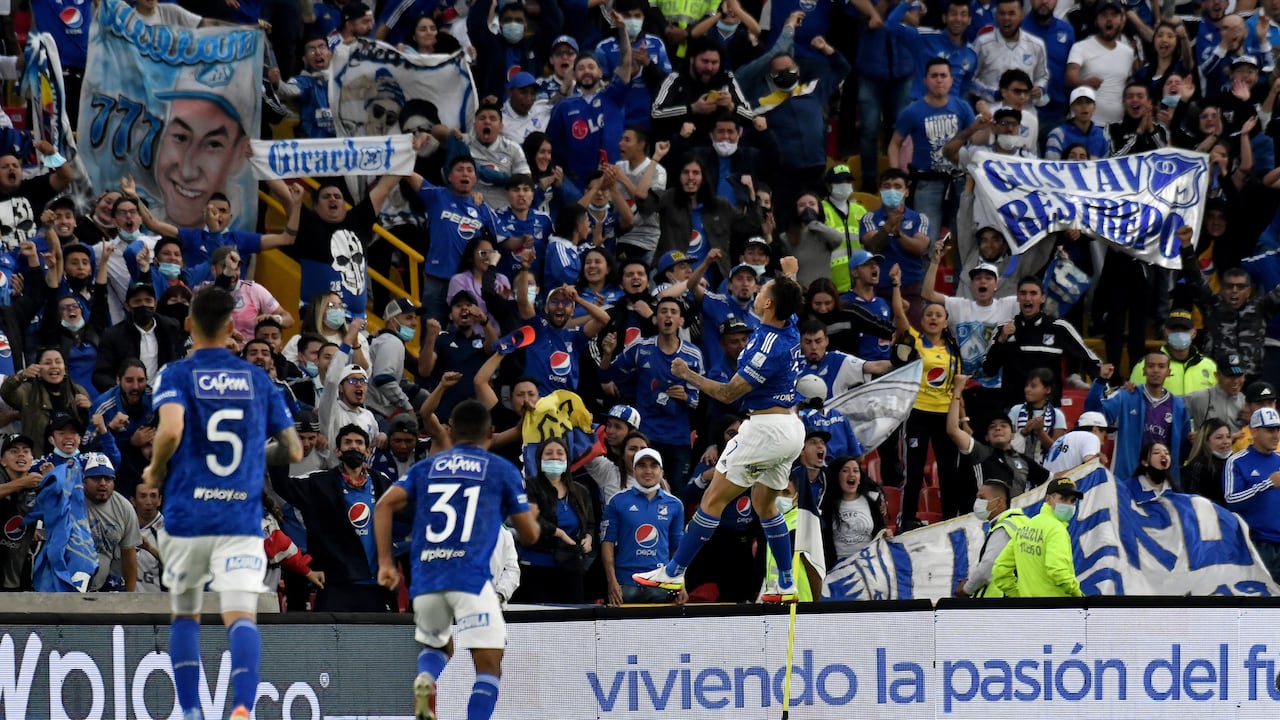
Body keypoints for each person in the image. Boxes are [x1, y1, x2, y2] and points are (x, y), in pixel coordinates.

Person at [141, 286, 302, 720]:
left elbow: (171, 430)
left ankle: (192, 710)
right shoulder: (257, 379)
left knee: (186, 615)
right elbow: (295, 448)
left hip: (187, 515)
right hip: (240, 518)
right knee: (240, 616)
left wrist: (155, 469)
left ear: (189, 325)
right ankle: (243, 706)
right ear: (233, 327)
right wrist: (256, 453)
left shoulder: (175, 374)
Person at [632, 258, 806, 602]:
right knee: (764, 504)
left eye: (764, 288)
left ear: (769, 303)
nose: (757, 290)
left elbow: (728, 394)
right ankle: (785, 584)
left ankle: (673, 572)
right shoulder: (790, 324)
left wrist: (688, 375)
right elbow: (790, 301)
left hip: (765, 428)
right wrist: (789, 275)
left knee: (713, 499)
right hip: (790, 428)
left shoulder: (767, 348)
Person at [373, 400, 539, 720]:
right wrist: (531, 514)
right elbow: (530, 536)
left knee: (437, 649)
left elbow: (383, 506)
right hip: (472, 578)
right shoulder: (500, 469)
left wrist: (385, 563)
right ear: (490, 432)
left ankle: (426, 678)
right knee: (488, 666)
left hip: (427, 575)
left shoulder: (426, 467)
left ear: (451, 431)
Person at [272, 424, 397, 610]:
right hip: (335, 584)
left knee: (376, 640)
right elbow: (283, 485)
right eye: (347, 443)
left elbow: (407, 512)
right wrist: (282, 445)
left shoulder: (382, 482)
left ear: (368, 450)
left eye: (359, 443)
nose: (353, 446)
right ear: (338, 451)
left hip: (376, 584)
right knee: (329, 639)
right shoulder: (320, 483)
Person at [513, 438, 595, 603]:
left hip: (571, 566)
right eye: (548, 454)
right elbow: (530, 518)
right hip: (536, 566)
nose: (554, 458)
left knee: (572, 620)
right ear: (539, 459)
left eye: (560, 453)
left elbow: (590, 523)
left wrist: (588, 538)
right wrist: (560, 534)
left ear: (567, 459)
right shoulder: (529, 486)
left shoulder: (580, 491)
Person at [602, 447, 687, 604]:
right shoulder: (616, 501)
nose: (648, 471)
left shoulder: (675, 505)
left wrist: (679, 582)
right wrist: (611, 581)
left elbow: (678, 548)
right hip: (626, 584)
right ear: (634, 471)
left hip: (661, 584)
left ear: (661, 471)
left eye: (653, 466)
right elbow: (607, 544)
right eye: (642, 465)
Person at [991, 477, 1085, 598]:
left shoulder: (1025, 527)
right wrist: (1078, 595)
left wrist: (1018, 596)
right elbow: (1058, 571)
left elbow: (1000, 570)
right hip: (1056, 610)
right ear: (1048, 499)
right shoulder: (1056, 530)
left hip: (1029, 611)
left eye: (1072, 501)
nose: (1069, 505)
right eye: (1063, 499)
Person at [1224, 407, 1280, 583]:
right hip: (1256, 543)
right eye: (1270, 430)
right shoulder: (1237, 461)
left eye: (1278, 429)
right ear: (1254, 431)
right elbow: (1231, 500)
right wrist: (1267, 484)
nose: (1276, 435)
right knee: (1258, 601)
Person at [955, 478, 1026, 598]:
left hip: (999, 602)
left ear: (999, 502)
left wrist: (966, 589)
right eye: (977, 498)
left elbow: (987, 568)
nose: (977, 502)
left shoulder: (1004, 528)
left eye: (982, 498)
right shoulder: (1021, 522)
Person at [82, 453, 139, 592]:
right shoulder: (71, 501)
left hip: (100, 587)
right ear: (84, 480)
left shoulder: (124, 508)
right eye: (96, 478)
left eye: (108, 479)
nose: (102, 483)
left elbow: (129, 556)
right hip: (65, 585)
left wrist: (130, 597)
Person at [1044, 410, 1114, 475]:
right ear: (1095, 429)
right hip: (1062, 485)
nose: (1103, 442)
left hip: (1046, 484)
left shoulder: (1063, 438)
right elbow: (1091, 465)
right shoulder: (1091, 437)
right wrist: (1099, 461)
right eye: (1104, 435)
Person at [1183, 417, 1232, 505]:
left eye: (1228, 437)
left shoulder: (1236, 462)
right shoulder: (1197, 465)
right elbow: (1192, 498)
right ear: (1206, 441)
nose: (1226, 442)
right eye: (1219, 437)